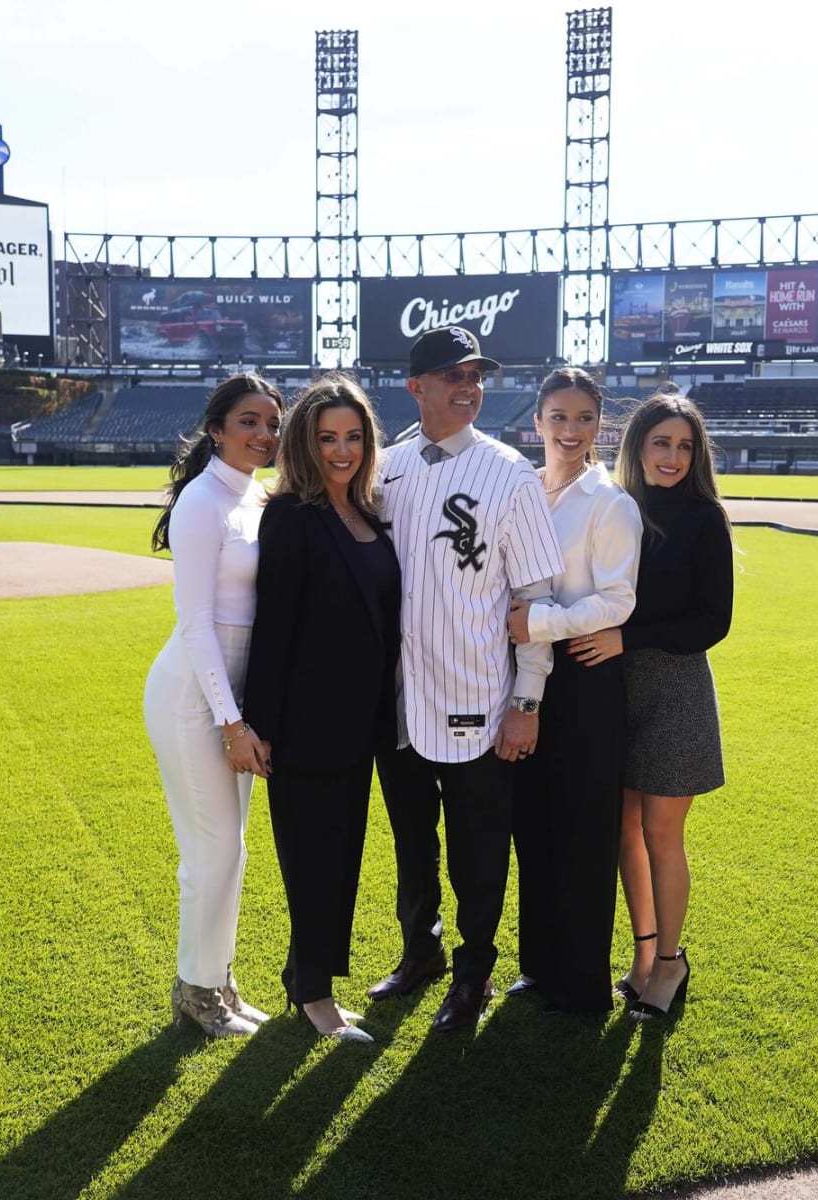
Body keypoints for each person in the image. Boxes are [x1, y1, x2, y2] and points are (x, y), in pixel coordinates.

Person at [368, 326, 564, 1033]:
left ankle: (473, 973)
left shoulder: (509, 473)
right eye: (453, 375)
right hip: (397, 703)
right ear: (416, 386)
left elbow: (536, 598)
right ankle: (419, 952)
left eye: (476, 374)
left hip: (480, 701)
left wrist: (527, 702)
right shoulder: (382, 468)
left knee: (478, 853)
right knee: (411, 844)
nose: (469, 386)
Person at [244, 374, 400, 1044]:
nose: (342, 450)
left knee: (341, 860)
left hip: (361, 725)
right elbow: (273, 627)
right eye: (327, 437)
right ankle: (313, 994)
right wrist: (259, 728)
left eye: (354, 437)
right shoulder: (290, 514)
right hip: (305, 727)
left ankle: (306, 976)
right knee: (312, 863)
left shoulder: (368, 512)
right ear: (306, 443)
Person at [573, 390, 733, 1024]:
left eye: (684, 446)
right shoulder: (618, 509)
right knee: (624, 833)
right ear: (637, 445)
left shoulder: (703, 517)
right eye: (661, 442)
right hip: (613, 689)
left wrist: (624, 638)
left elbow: (711, 622)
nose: (672, 456)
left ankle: (671, 962)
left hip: (674, 690)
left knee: (662, 835)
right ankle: (642, 954)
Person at [144, 372, 284, 1038]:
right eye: (249, 422)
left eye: (271, 423)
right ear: (218, 429)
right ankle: (196, 993)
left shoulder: (255, 495)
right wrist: (231, 723)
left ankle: (219, 982)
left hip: (235, 694)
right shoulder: (204, 501)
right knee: (214, 851)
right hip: (193, 695)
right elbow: (196, 622)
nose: (263, 434)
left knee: (231, 850)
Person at [504, 367, 642, 1013]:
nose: (570, 430)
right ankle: (539, 967)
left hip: (586, 682)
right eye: (558, 417)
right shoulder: (523, 492)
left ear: (599, 426)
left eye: (583, 418)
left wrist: (542, 623)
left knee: (585, 833)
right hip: (529, 679)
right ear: (536, 423)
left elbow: (616, 601)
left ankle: (584, 982)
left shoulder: (610, 502)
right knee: (534, 828)